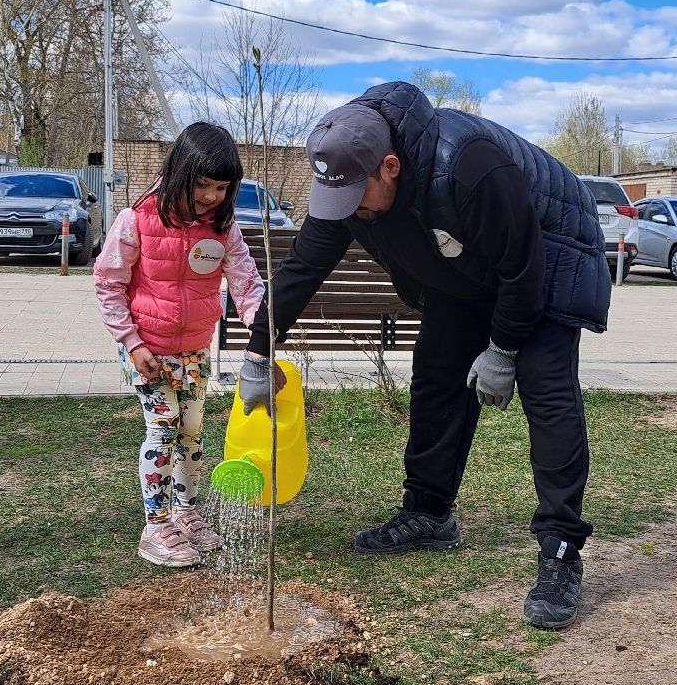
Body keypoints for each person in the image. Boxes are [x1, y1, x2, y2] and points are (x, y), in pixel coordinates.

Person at [240, 81, 611, 629]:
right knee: (436, 378)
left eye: (356, 198)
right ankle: (429, 512)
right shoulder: (348, 178)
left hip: (547, 255)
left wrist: (503, 348)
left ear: (390, 166)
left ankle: (560, 550)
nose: (350, 213)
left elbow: (523, 266)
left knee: (546, 392)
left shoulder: (467, 164)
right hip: (465, 271)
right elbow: (301, 269)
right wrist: (258, 350)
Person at [93, 122, 283, 569]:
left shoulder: (223, 229)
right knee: (164, 426)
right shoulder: (136, 220)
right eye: (203, 184)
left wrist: (265, 337)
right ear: (180, 171)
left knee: (192, 429)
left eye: (222, 187)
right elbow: (108, 282)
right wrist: (130, 341)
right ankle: (155, 526)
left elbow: (247, 284)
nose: (213, 196)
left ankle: (186, 512)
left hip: (195, 348)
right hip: (147, 348)